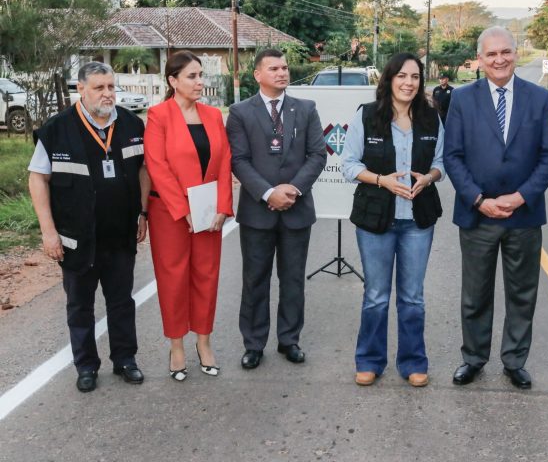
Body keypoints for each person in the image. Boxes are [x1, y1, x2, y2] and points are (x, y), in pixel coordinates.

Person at [444, 26, 548, 389]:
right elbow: (453, 156)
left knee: (522, 294)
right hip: (477, 215)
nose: (499, 59)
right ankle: (473, 358)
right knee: (475, 294)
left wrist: (521, 196)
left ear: (516, 53)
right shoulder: (462, 99)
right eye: (491, 54)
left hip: (523, 216)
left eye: (505, 52)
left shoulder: (539, 98)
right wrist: (479, 200)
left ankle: (514, 361)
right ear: (480, 59)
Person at [28, 62, 149, 392]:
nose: (107, 93)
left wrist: (143, 212)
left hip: (120, 234)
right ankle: (86, 366)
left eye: (111, 86)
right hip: (76, 239)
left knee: (122, 301)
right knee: (80, 306)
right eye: (99, 87)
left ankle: (125, 360)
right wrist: (48, 232)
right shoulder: (57, 129)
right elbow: (38, 178)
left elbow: (142, 171)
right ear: (80, 89)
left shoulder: (131, 124)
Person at [342, 53, 445, 387]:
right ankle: (369, 360)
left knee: (412, 296)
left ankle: (413, 362)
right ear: (388, 79)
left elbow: (442, 162)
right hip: (376, 221)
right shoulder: (367, 116)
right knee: (376, 295)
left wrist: (429, 177)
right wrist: (381, 180)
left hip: (417, 221)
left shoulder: (431, 118)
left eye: (415, 77)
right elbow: (349, 165)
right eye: (401, 75)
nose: (408, 82)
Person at [227, 48, 326, 370]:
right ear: (258, 75)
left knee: (293, 279)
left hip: (296, 209)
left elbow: (317, 155)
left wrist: (293, 189)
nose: (281, 73)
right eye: (273, 68)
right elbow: (238, 160)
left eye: (284, 68)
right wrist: (268, 192)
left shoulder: (306, 108)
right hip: (258, 212)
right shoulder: (240, 112)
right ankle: (254, 343)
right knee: (255, 279)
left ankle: (289, 340)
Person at [144, 51, 233, 382]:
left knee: (206, 275)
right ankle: (177, 347)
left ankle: (204, 342)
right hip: (170, 213)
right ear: (173, 81)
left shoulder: (212, 116)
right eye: (192, 76)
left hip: (209, 211)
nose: (199, 82)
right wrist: (183, 210)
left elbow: (224, 161)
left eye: (201, 75)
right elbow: (157, 166)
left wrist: (224, 205)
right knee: (174, 279)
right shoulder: (158, 116)